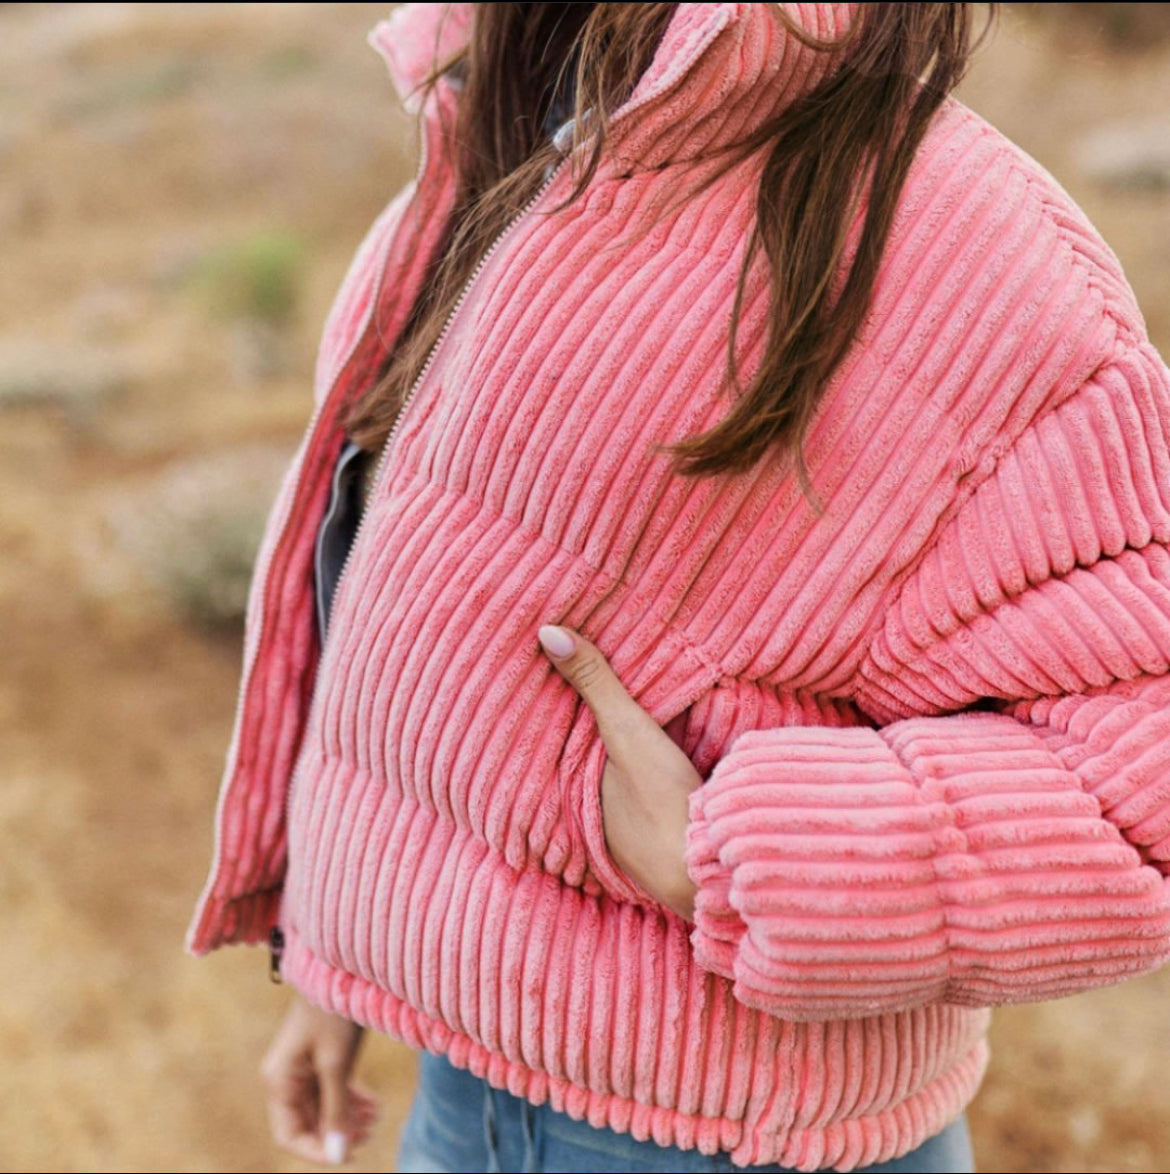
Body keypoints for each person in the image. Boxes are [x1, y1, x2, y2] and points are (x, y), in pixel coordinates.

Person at [187, 4, 1170, 1172]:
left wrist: (744, 848)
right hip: (474, 1081)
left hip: (708, 1131)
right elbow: (405, 580)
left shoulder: (974, 251)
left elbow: (1137, 790)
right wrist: (343, 952)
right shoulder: (525, 109)